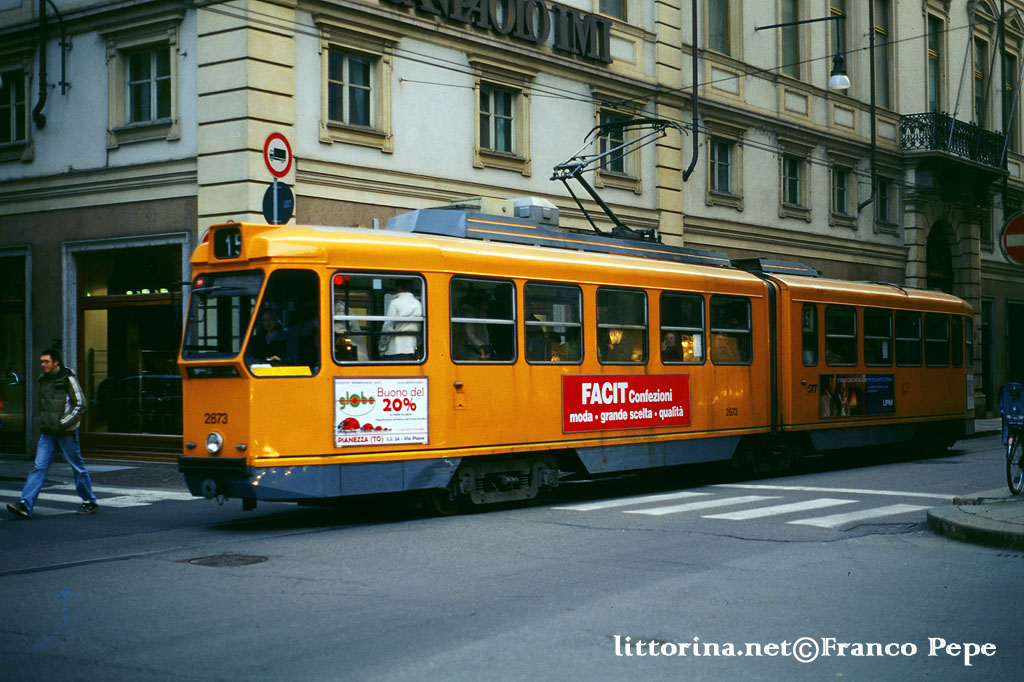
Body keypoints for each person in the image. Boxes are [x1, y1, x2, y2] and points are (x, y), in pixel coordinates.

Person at [7, 349, 98, 519]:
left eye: (46, 361)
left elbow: (81, 404)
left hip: (66, 433)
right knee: (38, 467)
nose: (43, 365)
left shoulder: (67, 379)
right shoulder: (43, 380)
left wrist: (63, 423)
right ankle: (25, 504)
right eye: (41, 361)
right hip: (48, 433)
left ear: (56, 362)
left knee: (77, 467)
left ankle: (89, 501)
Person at [379, 280, 422, 360]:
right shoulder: (418, 305)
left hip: (393, 351)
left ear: (399, 288)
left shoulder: (395, 303)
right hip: (411, 351)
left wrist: (381, 348)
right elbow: (419, 330)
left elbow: (387, 328)